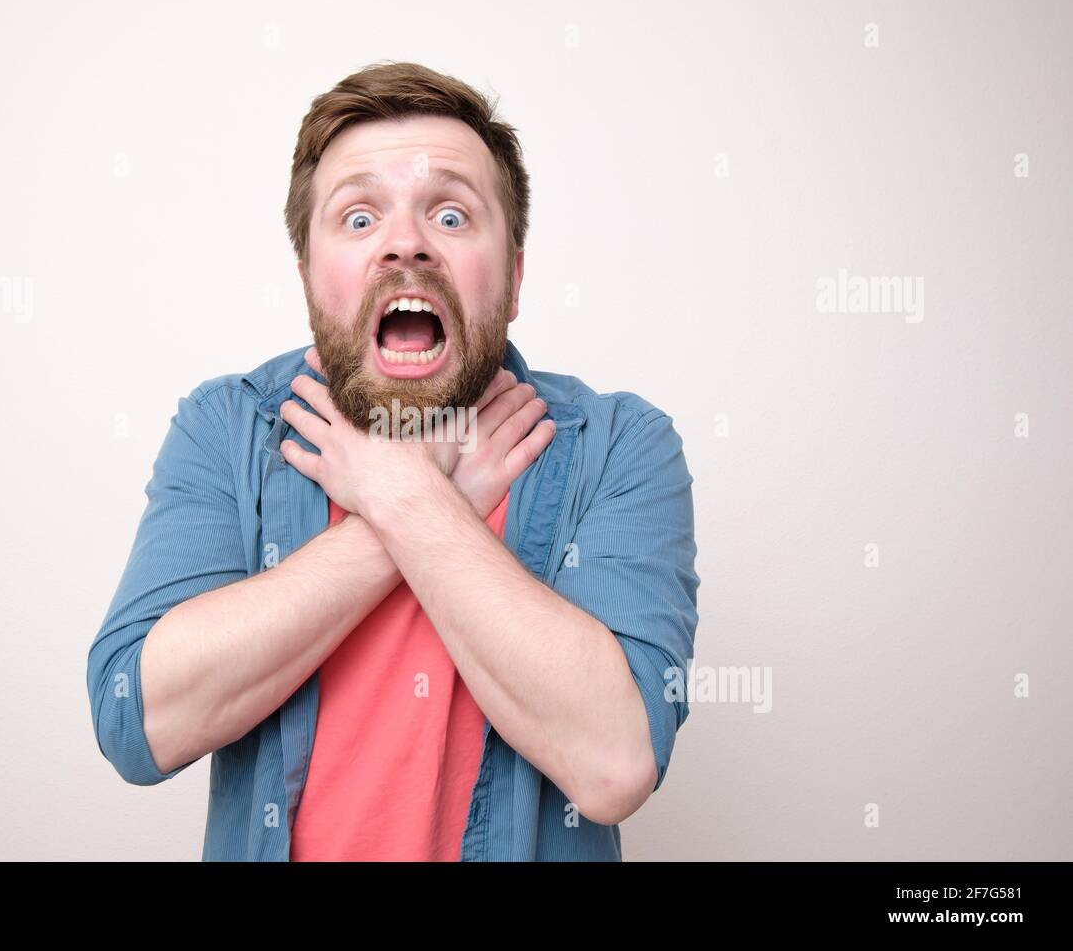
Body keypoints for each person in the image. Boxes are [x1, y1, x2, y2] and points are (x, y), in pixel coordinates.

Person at [86, 61, 700, 861]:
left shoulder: (620, 446)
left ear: (513, 278)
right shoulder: (227, 428)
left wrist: (402, 494)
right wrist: (415, 512)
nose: (404, 242)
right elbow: (138, 721)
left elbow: (616, 763)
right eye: (359, 218)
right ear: (309, 277)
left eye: (450, 216)